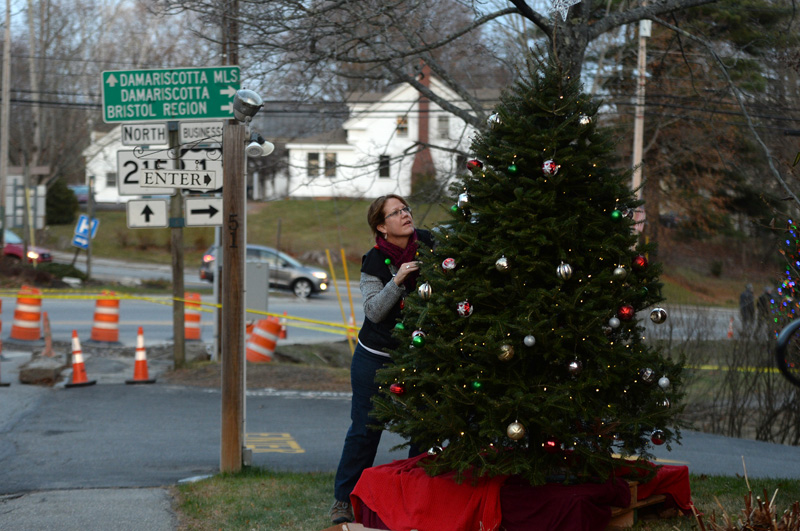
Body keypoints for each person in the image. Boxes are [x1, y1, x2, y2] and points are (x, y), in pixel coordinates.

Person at [329, 194, 433, 525]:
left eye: (406, 209)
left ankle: (418, 496)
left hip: (420, 355)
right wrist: (398, 280)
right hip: (375, 356)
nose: (405, 215)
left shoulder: (430, 246)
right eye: (396, 212)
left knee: (425, 426)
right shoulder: (373, 262)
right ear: (381, 226)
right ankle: (343, 500)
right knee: (365, 430)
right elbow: (374, 311)